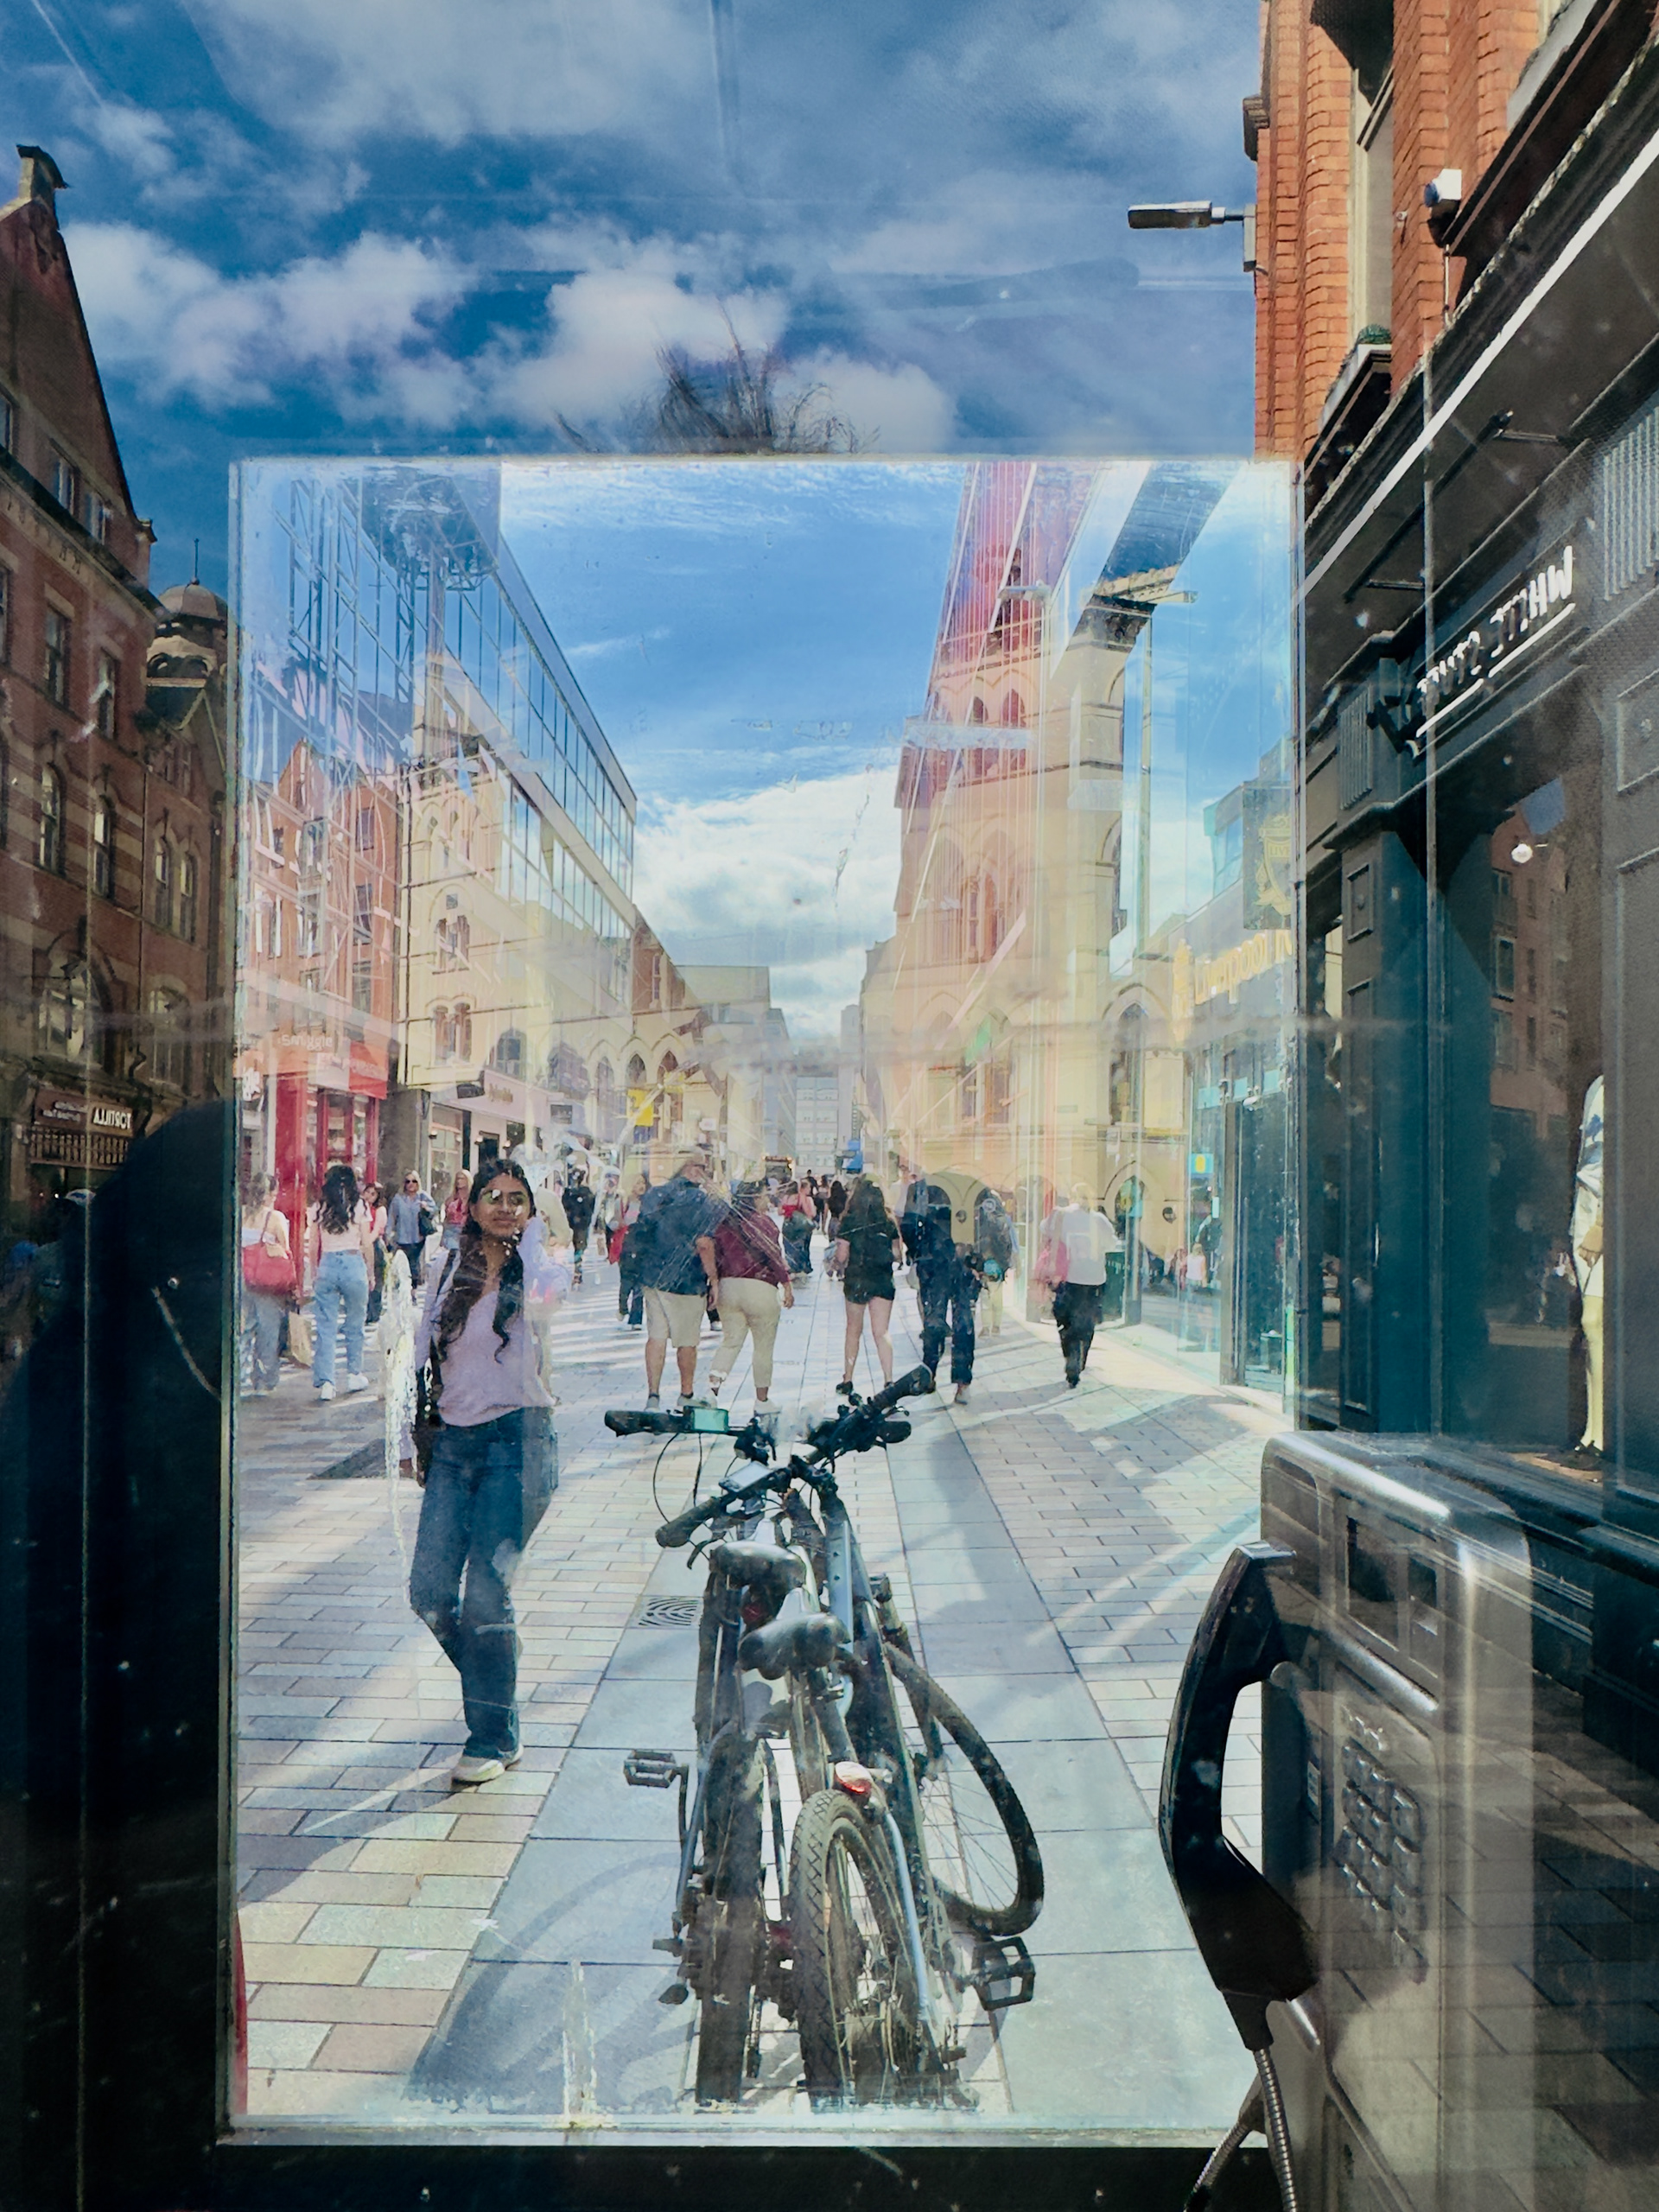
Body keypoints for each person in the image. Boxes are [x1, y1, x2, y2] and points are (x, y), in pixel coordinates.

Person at [404, 1162, 571, 1788]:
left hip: (518, 1444)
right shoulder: (448, 1269)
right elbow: (420, 1352)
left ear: (531, 1210)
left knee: (484, 1595)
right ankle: (497, 1662)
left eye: (517, 1200)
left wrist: (530, 1240)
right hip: (453, 1446)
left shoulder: (543, 1268)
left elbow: (549, 1304)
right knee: (428, 1592)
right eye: (492, 1199)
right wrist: (406, 1437)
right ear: (470, 1207)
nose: (504, 1207)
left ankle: (493, 1736)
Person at [632, 1149, 726, 1409]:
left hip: (653, 1277)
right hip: (686, 1281)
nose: (705, 1174)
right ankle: (686, 1394)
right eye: (703, 1168)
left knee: (656, 1337)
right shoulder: (699, 1199)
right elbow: (704, 1243)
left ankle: (653, 1395)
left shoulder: (655, 1194)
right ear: (691, 1168)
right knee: (687, 1342)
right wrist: (714, 1280)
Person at [708, 1180, 793, 1408]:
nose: (767, 1200)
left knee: (731, 1341)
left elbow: (716, 1257)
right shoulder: (764, 1223)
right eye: (764, 1195)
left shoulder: (723, 1224)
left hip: (728, 1288)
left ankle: (712, 1390)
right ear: (755, 1198)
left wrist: (714, 1285)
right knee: (763, 1347)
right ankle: (761, 1400)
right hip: (760, 1288)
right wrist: (786, 1284)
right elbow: (774, 1255)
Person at [902, 1178, 983, 1408]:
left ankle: (930, 1373)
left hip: (933, 1261)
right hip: (964, 1263)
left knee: (934, 1319)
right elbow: (987, 1223)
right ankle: (962, 1383)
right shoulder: (971, 1185)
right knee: (964, 1323)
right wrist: (979, 1261)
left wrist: (918, 1251)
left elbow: (909, 1223)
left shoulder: (923, 1187)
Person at [1039, 1183, 1121, 1388]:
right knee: (1087, 1323)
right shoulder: (1099, 1220)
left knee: (1065, 1321)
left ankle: (1071, 1356)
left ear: (1071, 1197)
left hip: (1067, 1278)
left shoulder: (1062, 1216)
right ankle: (1080, 1359)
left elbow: (1044, 1230)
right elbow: (1111, 1244)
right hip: (1093, 1279)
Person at [307, 1162, 375, 1402]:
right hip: (353, 1262)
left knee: (325, 1327)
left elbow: (314, 1244)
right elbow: (366, 1243)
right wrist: (371, 1272)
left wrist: (314, 1272)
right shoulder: (359, 1206)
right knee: (355, 1324)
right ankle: (354, 1373)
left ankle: (327, 1382)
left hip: (327, 1264)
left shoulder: (319, 1207)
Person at [836, 1175, 904, 1393]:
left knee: (853, 1330)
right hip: (882, 1279)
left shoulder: (849, 1220)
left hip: (857, 1278)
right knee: (881, 1331)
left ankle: (848, 1379)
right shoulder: (888, 1220)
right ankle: (889, 1379)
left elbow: (842, 1255)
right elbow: (897, 1254)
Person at [239, 1173, 293, 1395]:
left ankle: (239, 1376)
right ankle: (263, 1380)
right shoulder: (275, 1217)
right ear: (269, 1194)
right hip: (266, 1282)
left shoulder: (240, 1213)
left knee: (243, 1328)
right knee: (268, 1330)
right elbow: (285, 1249)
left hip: (242, 1278)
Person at [975, 1187, 1018, 1338]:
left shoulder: (979, 1220)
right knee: (997, 1295)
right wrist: (1012, 1262)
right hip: (999, 1263)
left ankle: (986, 1327)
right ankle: (996, 1326)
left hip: (984, 1261)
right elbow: (1013, 1242)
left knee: (985, 1295)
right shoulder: (1005, 1219)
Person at [388, 1171, 435, 1288]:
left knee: (413, 1262)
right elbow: (392, 1216)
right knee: (403, 1264)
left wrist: (426, 1207)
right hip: (402, 1236)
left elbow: (434, 1210)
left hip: (417, 1236)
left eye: (413, 1181)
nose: (411, 1184)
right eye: (408, 1181)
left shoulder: (423, 1196)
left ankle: (413, 1289)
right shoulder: (398, 1199)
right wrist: (388, 1234)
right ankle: (404, 1288)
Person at [615, 1173, 647, 1325]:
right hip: (627, 1246)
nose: (641, 1186)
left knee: (639, 1285)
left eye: (643, 1183)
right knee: (626, 1282)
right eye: (637, 1183)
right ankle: (622, 1307)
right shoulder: (623, 1201)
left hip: (642, 1246)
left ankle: (636, 1318)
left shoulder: (648, 1202)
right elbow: (615, 1223)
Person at [562, 1167, 596, 1285]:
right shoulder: (570, 1192)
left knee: (579, 1248)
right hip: (573, 1224)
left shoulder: (584, 1192)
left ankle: (577, 1270)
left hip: (579, 1224)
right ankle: (576, 1269)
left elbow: (590, 1209)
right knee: (577, 1248)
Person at [363, 1180, 390, 1326]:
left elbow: (377, 1230)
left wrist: (366, 1242)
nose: (368, 1196)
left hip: (375, 1245)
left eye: (373, 1194)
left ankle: (374, 1312)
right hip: (362, 1246)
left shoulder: (380, 1210)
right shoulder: (360, 1208)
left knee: (376, 1280)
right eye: (367, 1192)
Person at [780, 1179, 814, 1278]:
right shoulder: (800, 1197)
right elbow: (808, 1212)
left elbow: (779, 1211)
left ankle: (790, 1268)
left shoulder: (785, 1198)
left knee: (787, 1246)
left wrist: (788, 1212)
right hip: (797, 1226)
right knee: (798, 1246)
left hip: (786, 1224)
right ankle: (798, 1268)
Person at [440, 1171, 471, 1255]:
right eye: (458, 1178)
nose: (459, 1181)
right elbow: (446, 1218)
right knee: (450, 1256)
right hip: (451, 1229)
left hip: (464, 1230)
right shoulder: (452, 1198)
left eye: (462, 1178)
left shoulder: (471, 1198)